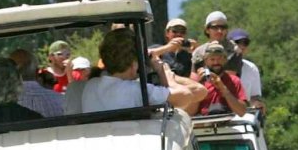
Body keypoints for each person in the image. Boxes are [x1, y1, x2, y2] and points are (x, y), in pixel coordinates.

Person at [75, 28, 206, 114]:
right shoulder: (137, 91)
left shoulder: (90, 86)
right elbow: (186, 96)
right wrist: (165, 74)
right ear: (133, 63)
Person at [195, 41, 248, 116]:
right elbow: (189, 112)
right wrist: (198, 87)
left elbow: (242, 112)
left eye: (219, 59)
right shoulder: (197, 82)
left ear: (225, 60)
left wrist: (223, 89)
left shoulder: (234, 80)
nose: (216, 62)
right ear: (205, 61)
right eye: (212, 59)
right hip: (204, 123)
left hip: (228, 123)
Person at [227, 28, 263, 115]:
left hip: (244, 114)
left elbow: (254, 96)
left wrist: (257, 104)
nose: (242, 46)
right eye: (237, 42)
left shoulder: (252, 68)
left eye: (245, 43)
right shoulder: (216, 65)